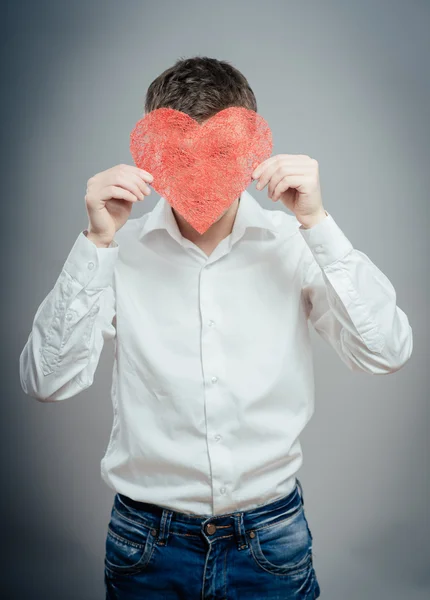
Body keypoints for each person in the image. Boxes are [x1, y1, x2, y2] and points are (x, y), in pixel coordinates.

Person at [19, 56, 413, 599]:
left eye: (222, 153)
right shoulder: (117, 253)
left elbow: (386, 350)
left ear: (250, 151)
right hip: (145, 544)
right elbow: (46, 381)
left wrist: (317, 224)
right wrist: (95, 243)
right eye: (182, 156)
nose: (202, 174)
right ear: (154, 153)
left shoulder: (292, 244)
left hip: (271, 539)